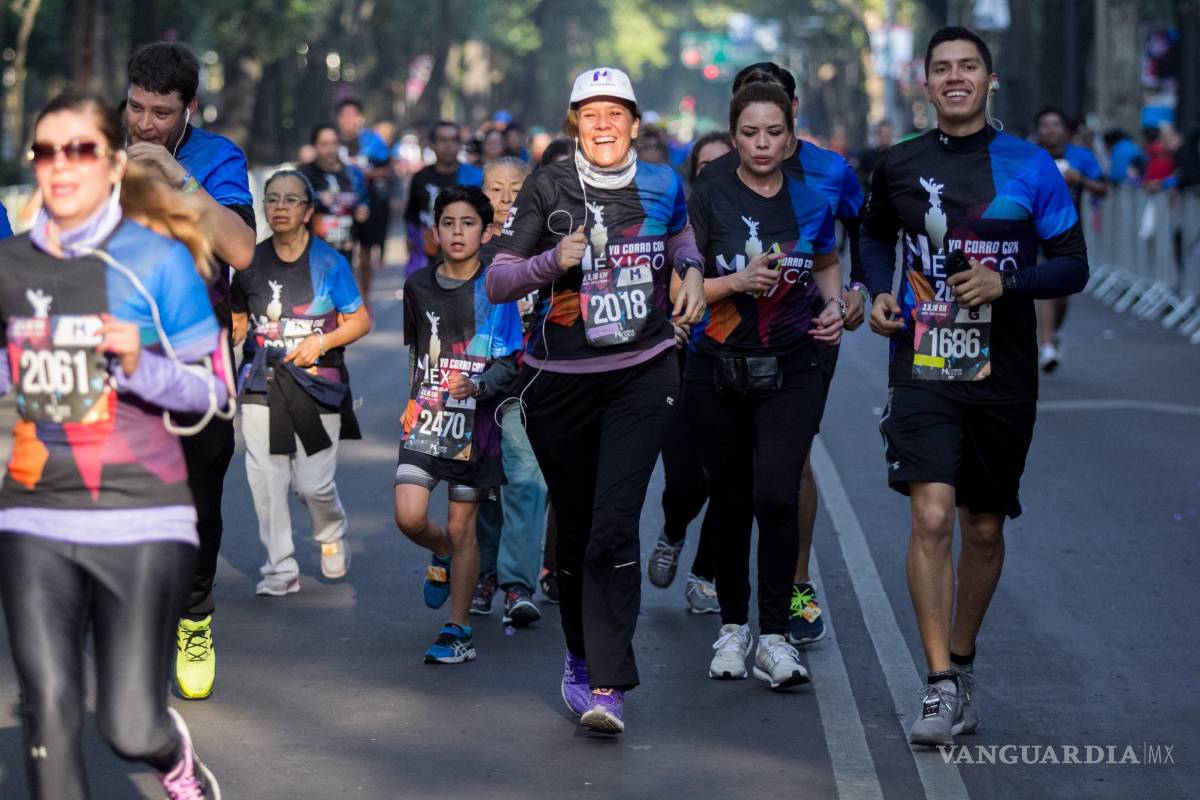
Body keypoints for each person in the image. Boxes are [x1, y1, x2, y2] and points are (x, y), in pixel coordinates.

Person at [0, 90, 232, 799]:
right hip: (35, 511)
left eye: (80, 150)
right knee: (50, 715)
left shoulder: (154, 260)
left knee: (127, 726)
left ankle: (171, 757)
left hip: (139, 511)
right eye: (47, 151)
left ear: (110, 165)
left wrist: (141, 364)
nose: (61, 165)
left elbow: (214, 389)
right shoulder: (10, 265)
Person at [862, 26, 1088, 746]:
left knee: (982, 527)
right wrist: (877, 291)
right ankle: (936, 684)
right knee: (930, 514)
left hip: (1004, 370)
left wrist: (1007, 280)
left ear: (990, 82)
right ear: (923, 85)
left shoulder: (1032, 166)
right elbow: (872, 234)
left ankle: (961, 664)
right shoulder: (898, 164)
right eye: (942, 69)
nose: (955, 78)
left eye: (969, 68)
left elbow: (1074, 265)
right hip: (923, 361)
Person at [486, 67, 705, 734]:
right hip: (562, 380)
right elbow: (498, 279)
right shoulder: (549, 187)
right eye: (591, 113)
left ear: (635, 123)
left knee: (614, 524)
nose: (604, 124)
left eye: (616, 112)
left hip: (643, 372)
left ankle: (608, 684)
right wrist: (556, 260)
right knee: (578, 531)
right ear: (574, 123)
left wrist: (692, 272)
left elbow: (681, 239)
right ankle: (579, 659)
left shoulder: (665, 182)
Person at [690, 62, 867, 647]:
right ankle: (734, 625)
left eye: (773, 131)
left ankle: (782, 616)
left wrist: (839, 304)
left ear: (791, 130)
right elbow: (679, 286)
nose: (761, 142)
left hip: (796, 356)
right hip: (717, 358)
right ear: (734, 130)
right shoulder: (710, 189)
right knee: (734, 493)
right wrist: (736, 283)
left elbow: (835, 254)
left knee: (779, 485)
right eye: (749, 130)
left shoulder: (820, 190)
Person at [125, 40, 256, 702]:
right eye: (137, 109)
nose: (145, 124)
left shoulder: (216, 159)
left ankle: (194, 618)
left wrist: (173, 178)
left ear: (188, 110)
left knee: (198, 508)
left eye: (160, 113)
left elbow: (239, 247)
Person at [395, 185, 523, 664]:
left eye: (468, 223)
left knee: (463, 524)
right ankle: (443, 552)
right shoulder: (418, 286)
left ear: (486, 231)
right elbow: (417, 353)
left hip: (478, 424)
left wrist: (481, 385)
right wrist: (410, 400)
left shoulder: (497, 288)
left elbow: (512, 361)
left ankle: (458, 628)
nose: (457, 232)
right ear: (435, 230)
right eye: (448, 223)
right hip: (426, 419)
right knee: (409, 516)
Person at [232, 170, 370, 597]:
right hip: (261, 381)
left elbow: (361, 321)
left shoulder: (330, 263)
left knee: (312, 483)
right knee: (266, 476)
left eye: (291, 200)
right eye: (272, 199)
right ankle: (280, 566)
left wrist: (322, 341)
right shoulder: (248, 262)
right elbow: (237, 324)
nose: (280, 208)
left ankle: (330, 532)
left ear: (308, 211)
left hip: (318, 385)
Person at [647, 130, 733, 615]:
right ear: (693, 174)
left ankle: (705, 574)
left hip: (738, 362)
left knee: (731, 479)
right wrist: (664, 325)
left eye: (726, 163)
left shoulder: (756, 219)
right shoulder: (672, 224)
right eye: (706, 166)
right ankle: (673, 531)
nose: (716, 174)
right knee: (685, 478)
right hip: (679, 365)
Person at [472, 157, 549, 625]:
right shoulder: (469, 247)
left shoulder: (545, 244)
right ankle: (480, 573)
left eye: (515, 189)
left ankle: (516, 583)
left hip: (531, 382)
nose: (504, 200)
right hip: (478, 382)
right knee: (481, 486)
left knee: (525, 480)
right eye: (494, 189)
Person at [1033, 107, 1106, 372]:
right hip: (1034, 234)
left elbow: (1104, 188)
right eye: (1045, 124)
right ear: (1038, 130)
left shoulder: (1081, 157)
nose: (1050, 129)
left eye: (1056, 124)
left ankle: (1051, 334)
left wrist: (1080, 180)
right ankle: (1047, 346)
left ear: (1065, 129)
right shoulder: (1030, 156)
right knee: (1046, 287)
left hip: (1068, 234)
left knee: (1062, 296)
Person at [404, 121, 484, 277]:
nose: (448, 145)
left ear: (460, 144)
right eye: (442, 140)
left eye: (453, 140)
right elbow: (411, 215)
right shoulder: (421, 177)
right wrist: (417, 240)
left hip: (466, 255)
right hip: (428, 256)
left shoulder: (474, 177)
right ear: (432, 144)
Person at [336, 99, 392, 297]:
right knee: (341, 255)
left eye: (352, 116)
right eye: (344, 116)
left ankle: (365, 297)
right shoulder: (332, 143)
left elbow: (388, 169)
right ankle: (345, 297)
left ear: (360, 118)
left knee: (365, 253)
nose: (348, 120)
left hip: (368, 204)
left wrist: (365, 174)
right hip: (339, 208)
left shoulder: (372, 141)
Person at [299, 124, 370, 260]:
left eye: (333, 144)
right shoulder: (303, 174)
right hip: (312, 254)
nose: (330, 150)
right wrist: (318, 201)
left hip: (345, 251)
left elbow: (363, 199)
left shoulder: (352, 174)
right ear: (314, 146)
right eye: (324, 145)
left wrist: (363, 209)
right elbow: (294, 205)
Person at [857, 120, 894, 188]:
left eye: (888, 135)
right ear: (878, 135)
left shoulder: (894, 156)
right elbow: (860, 175)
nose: (886, 138)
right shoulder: (868, 156)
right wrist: (869, 178)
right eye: (884, 135)